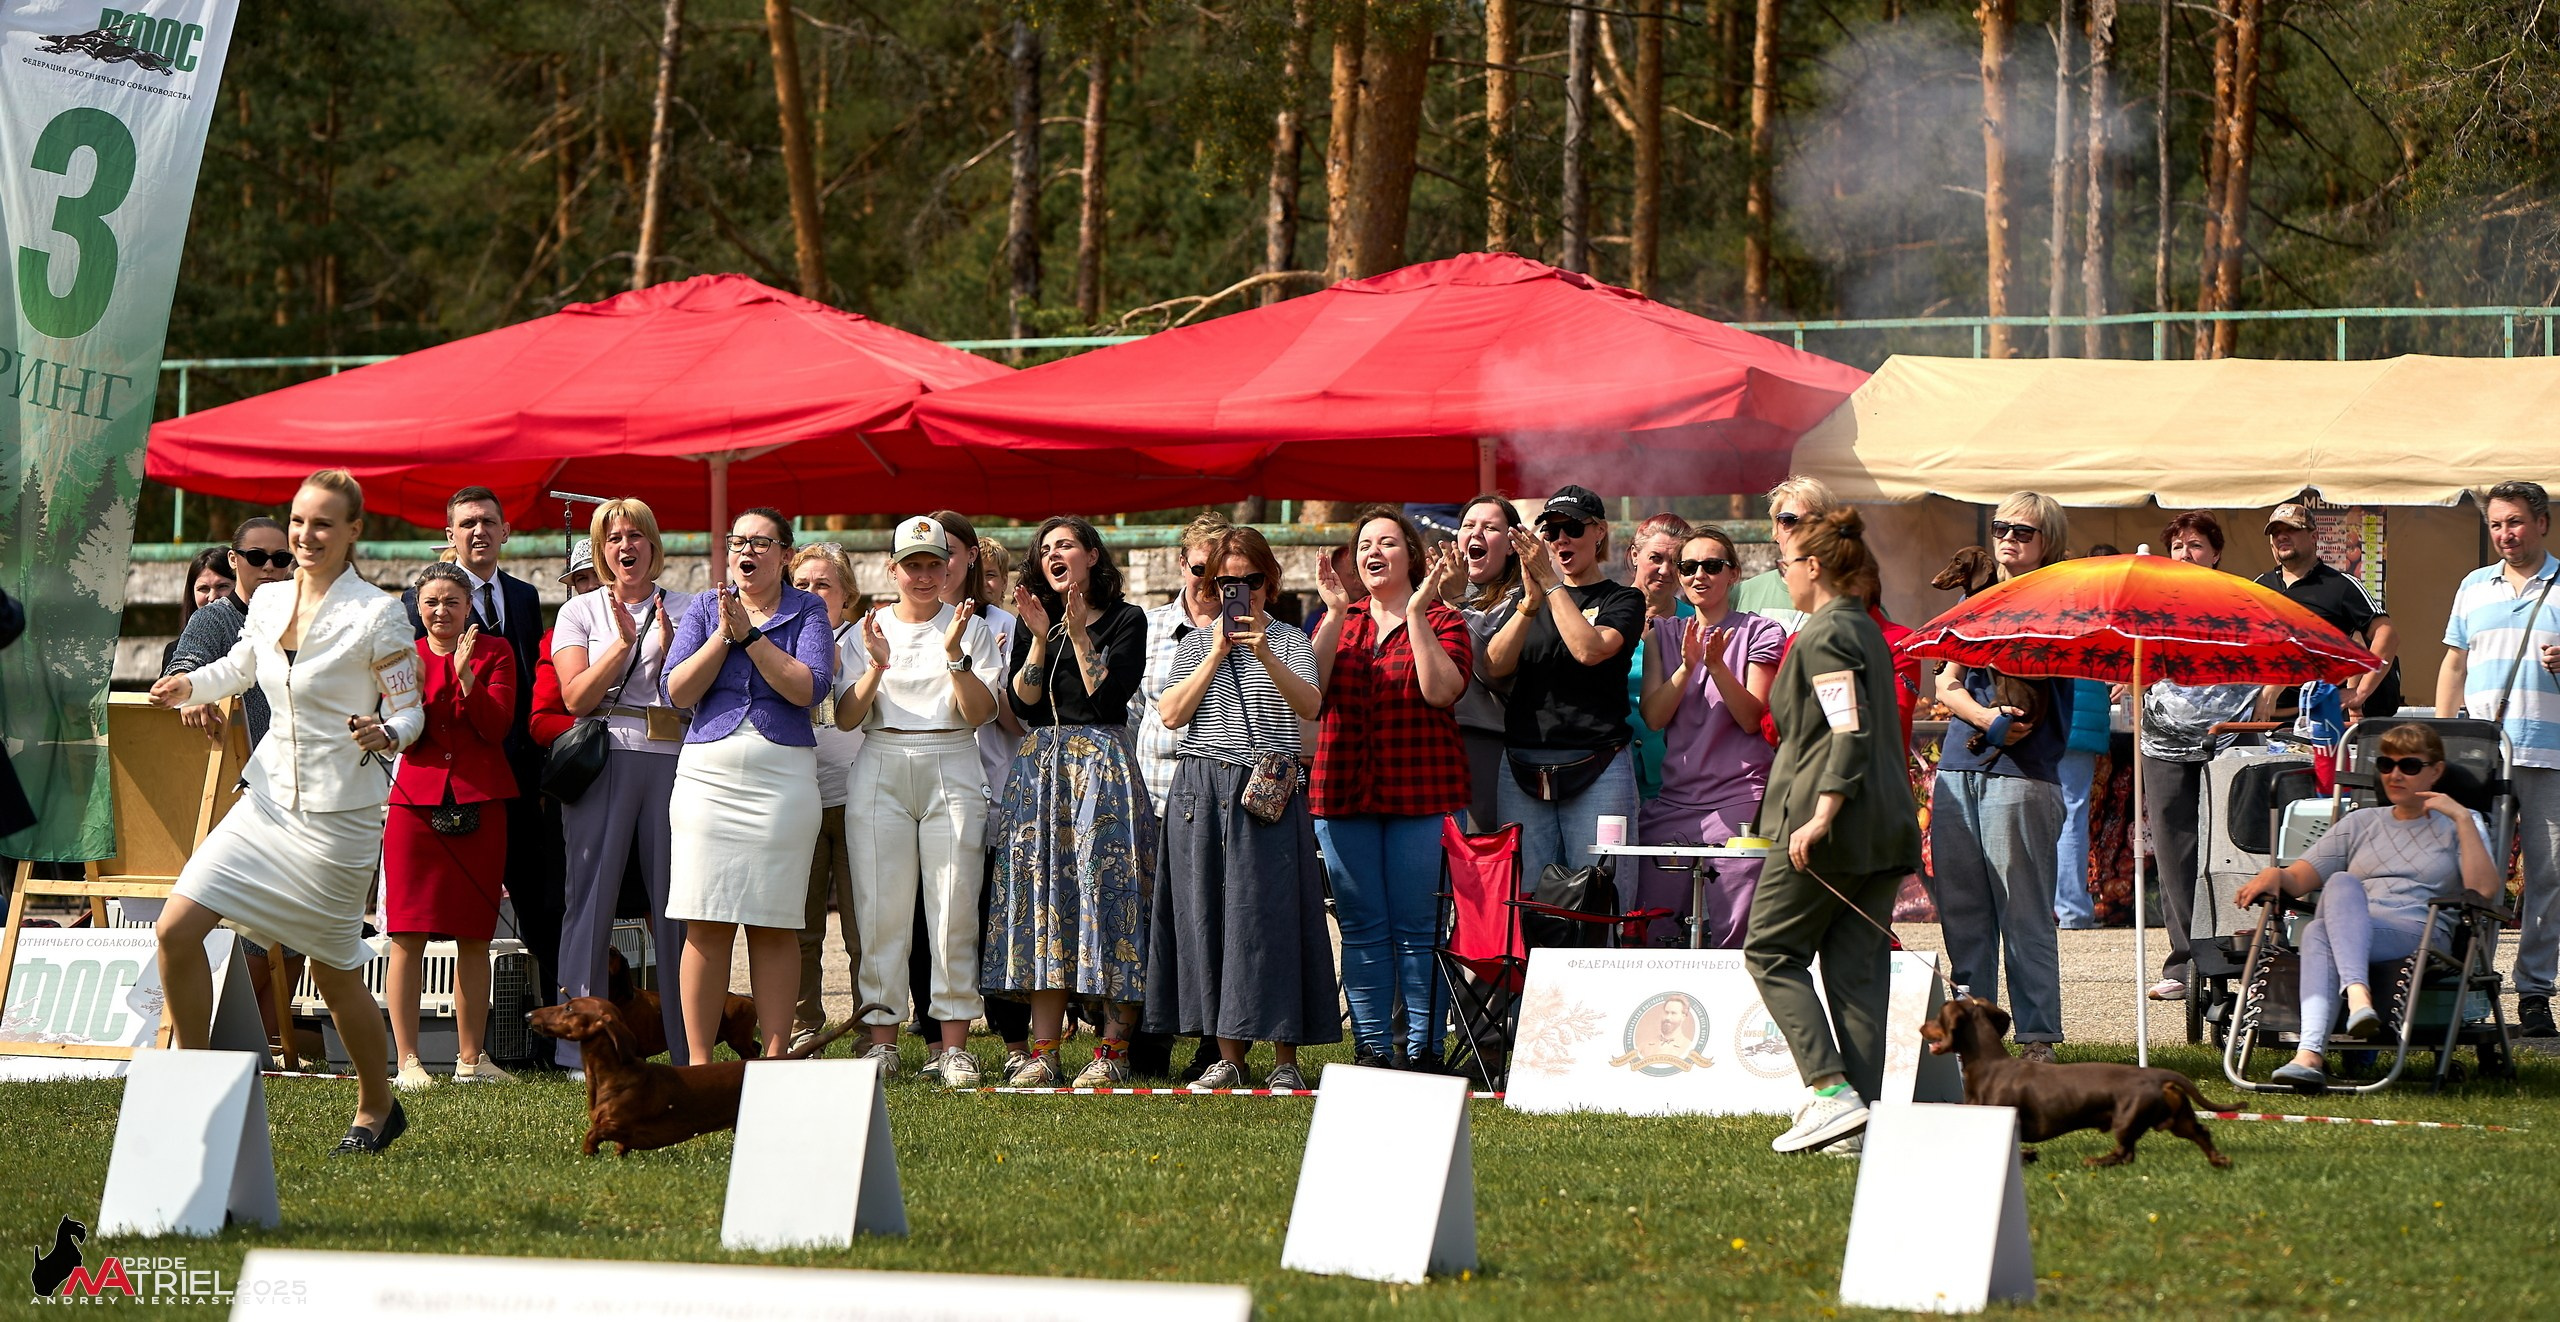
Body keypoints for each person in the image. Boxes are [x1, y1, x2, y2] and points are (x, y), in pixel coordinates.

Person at [148, 470, 425, 1153]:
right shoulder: (268, 602)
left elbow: (411, 710)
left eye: (323, 524)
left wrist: (386, 732)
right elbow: (240, 668)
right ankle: (195, 1082)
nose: (306, 535)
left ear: (354, 532)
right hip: (264, 801)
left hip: (340, 819)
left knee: (334, 973)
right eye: (299, 521)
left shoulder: (378, 613)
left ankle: (377, 1104)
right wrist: (188, 684)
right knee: (175, 932)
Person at [1745, 508, 1921, 1155]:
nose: (1782, 575)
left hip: (1833, 830)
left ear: (1813, 567)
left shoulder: (1824, 634)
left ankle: (1828, 1091)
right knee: (1856, 975)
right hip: (1882, 830)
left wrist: (1821, 811)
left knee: (1770, 950)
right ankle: (1859, 1120)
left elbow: (1848, 729)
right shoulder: (1866, 631)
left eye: (1785, 564)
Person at [1146, 525, 1340, 1091]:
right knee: (1210, 919)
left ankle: (1285, 1060)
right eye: (1228, 581)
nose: (1241, 591)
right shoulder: (1193, 641)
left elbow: (1310, 704)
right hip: (1202, 786)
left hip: (1267, 789)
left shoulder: (1289, 639)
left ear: (1270, 581)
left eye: (1251, 581)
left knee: (1272, 919)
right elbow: (1172, 714)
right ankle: (1227, 1055)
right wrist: (1217, 651)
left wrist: (1260, 651)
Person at [983, 517, 1154, 1086]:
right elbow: (1025, 703)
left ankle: (1112, 1053)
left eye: (1066, 546)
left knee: (1112, 901)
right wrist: (1040, 636)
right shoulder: (1039, 624)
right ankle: (1046, 1051)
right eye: (1046, 549)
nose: (1055, 555)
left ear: (1091, 557)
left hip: (1100, 767)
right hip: (1039, 770)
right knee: (1043, 905)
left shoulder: (1128, 620)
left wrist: (1080, 634)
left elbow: (1109, 693)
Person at [2236, 723, 2499, 1088]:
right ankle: (2339, 1021)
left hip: (2419, 933)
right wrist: (2274, 877)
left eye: (2409, 765)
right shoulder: (2359, 822)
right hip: (2352, 931)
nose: (2394, 774)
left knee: (2322, 922)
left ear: (2436, 770)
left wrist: (2459, 816)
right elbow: (2299, 877)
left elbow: (2483, 891)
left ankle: (2314, 1049)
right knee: (2331, 902)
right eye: (2385, 764)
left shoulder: (2461, 823)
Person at [838, 516, 1006, 1085]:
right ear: (893, 570)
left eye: (935, 563)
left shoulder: (972, 628)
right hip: (881, 758)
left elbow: (980, 713)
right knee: (880, 908)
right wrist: (878, 664)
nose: (926, 575)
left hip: (953, 758)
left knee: (954, 905)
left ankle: (953, 1042)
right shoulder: (867, 629)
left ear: (952, 566)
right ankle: (881, 1038)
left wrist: (955, 654)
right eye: (914, 565)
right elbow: (845, 715)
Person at [664, 508, 835, 1063]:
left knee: (774, 920)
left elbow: (808, 689)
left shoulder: (808, 609)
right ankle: (697, 1061)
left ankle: (776, 1055)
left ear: (786, 555)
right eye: (739, 542)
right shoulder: (700, 607)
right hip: (706, 777)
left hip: (782, 780)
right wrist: (722, 636)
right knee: (705, 916)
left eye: (762, 543)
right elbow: (678, 692)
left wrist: (753, 638)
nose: (748, 552)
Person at [1310, 506, 1472, 1069]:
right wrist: (1330, 616)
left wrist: (1420, 614)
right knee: (1361, 927)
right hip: (1343, 794)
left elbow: (1440, 691)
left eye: (1387, 543)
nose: (1373, 553)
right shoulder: (1341, 620)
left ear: (1413, 556)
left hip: (1423, 794)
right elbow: (1311, 694)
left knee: (1417, 926)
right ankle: (1373, 1049)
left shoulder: (1446, 621)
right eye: (1364, 546)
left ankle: (1425, 1048)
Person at [1927, 491, 2074, 1062]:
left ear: (2048, 544)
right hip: (1960, 767)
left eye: (2025, 531)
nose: (2009, 537)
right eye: (2002, 527)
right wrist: (1987, 718)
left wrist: (1993, 718)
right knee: (1964, 915)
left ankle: (2039, 1041)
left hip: (2025, 773)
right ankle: (1976, 1043)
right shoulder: (1974, 598)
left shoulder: (2061, 604)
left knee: (2024, 913)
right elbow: (1944, 683)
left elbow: (2036, 674)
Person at [550, 499, 695, 1067]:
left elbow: (696, 688)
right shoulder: (578, 611)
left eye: (636, 535)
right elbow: (576, 698)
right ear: (601, 549)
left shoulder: (689, 606)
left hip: (676, 757)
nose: (625, 546)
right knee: (589, 900)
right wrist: (625, 643)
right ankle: (575, 1047)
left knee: (678, 905)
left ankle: (689, 1043)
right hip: (606, 755)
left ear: (654, 545)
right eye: (613, 538)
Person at [405, 487, 558, 1007]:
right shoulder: (421, 600)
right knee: (446, 912)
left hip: (516, 772)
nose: (479, 531)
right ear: (449, 536)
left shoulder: (522, 596)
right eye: (467, 523)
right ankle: (455, 1031)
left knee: (538, 900)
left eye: (489, 521)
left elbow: (533, 680)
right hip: (448, 779)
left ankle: (550, 1022)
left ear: (505, 531)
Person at [383, 562, 520, 1090]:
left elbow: (496, 726)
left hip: (481, 802)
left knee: (474, 936)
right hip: (413, 806)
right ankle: (409, 1060)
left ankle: (470, 1058)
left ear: (470, 607)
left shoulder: (496, 653)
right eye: (431, 602)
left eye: (452, 602)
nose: (442, 611)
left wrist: (464, 675)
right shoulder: (402, 658)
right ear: (417, 609)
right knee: (406, 935)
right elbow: (403, 731)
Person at [2437, 479, 2560, 1038]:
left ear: (2542, 524)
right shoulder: (2472, 585)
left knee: (2548, 876)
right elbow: (2454, 666)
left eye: (2514, 522)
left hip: (2549, 753)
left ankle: (2534, 994)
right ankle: (2472, 992)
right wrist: (2438, 738)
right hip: (2480, 757)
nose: (2505, 534)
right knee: (2472, 873)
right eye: (2495, 525)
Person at [1484, 485, 1647, 902]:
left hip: (1598, 765)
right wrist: (1529, 605)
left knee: (1602, 896)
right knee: (1526, 898)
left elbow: (1588, 650)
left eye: (1572, 528)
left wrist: (1553, 587)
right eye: (1551, 530)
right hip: (1523, 765)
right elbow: (1494, 665)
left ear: (1600, 533)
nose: (1560, 540)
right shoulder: (1529, 598)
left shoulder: (1623, 598)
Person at [911, 509, 1031, 1062]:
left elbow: (1011, 718)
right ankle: (936, 1038)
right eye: (926, 557)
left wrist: (977, 665)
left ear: (968, 559)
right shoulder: (901, 623)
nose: (940, 565)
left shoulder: (1004, 626)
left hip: (996, 783)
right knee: (924, 912)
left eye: (950, 553)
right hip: (924, 782)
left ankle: (1012, 1037)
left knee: (993, 913)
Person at [1637, 526, 1786, 948]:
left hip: (1741, 796)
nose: (1698, 575)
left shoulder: (1761, 631)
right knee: (1654, 928)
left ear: (1733, 573)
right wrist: (1687, 667)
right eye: (1689, 566)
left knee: (1732, 935)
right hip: (1674, 800)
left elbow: (1750, 717)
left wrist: (1717, 666)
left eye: (1712, 565)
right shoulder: (1661, 635)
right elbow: (1653, 717)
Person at [2140, 513, 2265, 1000]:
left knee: (2234, 848)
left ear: (2215, 553)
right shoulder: (2152, 607)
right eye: (2177, 546)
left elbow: (2265, 657)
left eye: (2195, 545)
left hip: (2230, 736)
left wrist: (2263, 700)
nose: (2185, 554)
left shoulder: (2240, 601)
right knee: (2175, 851)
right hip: (2164, 740)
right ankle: (2185, 962)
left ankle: (2242, 953)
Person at [788, 540, 865, 1050]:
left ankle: (868, 1031)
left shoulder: (870, 639)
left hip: (859, 794)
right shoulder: (779, 638)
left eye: (823, 585)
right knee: (800, 927)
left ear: (847, 596)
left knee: (863, 929)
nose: (812, 593)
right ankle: (802, 1026)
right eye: (801, 585)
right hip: (798, 794)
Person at [2257, 499, 2401, 722]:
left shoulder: (2340, 585)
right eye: (2276, 532)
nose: (2282, 536)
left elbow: (2387, 634)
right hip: (2262, 720)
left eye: (2291, 529)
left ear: (2314, 537)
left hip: (2321, 719)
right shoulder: (2258, 587)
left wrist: (2361, 692)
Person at [1133, 512, 1236, 817]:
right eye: (1200, 568)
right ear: (1182, 564)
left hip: (1226, 802)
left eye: (1219, 570)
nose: (1208, 580)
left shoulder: (1252, 629)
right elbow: (1131, 716)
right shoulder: (1147, 626)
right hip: (1156, 799)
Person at [164, 517, 293, 753]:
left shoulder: (301, 614)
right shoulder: (213, 617)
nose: (269, 566)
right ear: (233, 559)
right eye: (256, 556)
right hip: (242, 769)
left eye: (280, 558)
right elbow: (185, 662)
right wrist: (190, 691)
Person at [1450, 495, 1526, 834]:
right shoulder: (1431, 591)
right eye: (1468, 525)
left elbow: (1490, 665)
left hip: (1485, 743)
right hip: (1431, 741)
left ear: (1511, 546)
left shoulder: (1524, 599)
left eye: (1490, 528)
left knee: (1479, 857)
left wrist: (1455, 604)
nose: (1476, 532)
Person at [1625, 512, 1695, 804]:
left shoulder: (1696, 623)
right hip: (1610, 772)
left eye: (1677, 562)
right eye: (1656, 558)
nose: (1666, 570)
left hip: (1678, 778)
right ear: (1634, 555)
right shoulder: (1602, 615)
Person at [1731, 475, 1835, 633]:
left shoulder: (1851, 592)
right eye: (1788, 520)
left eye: (1811, 520)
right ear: (1775, 530)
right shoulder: (1741, 594)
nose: (1799, 529)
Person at [2054, 678, 2113, 931]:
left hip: (2039, 715)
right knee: (2071, 815)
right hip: (2080, 718)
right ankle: (2072, 909)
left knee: (2034, 813)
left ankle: (2032, 907)